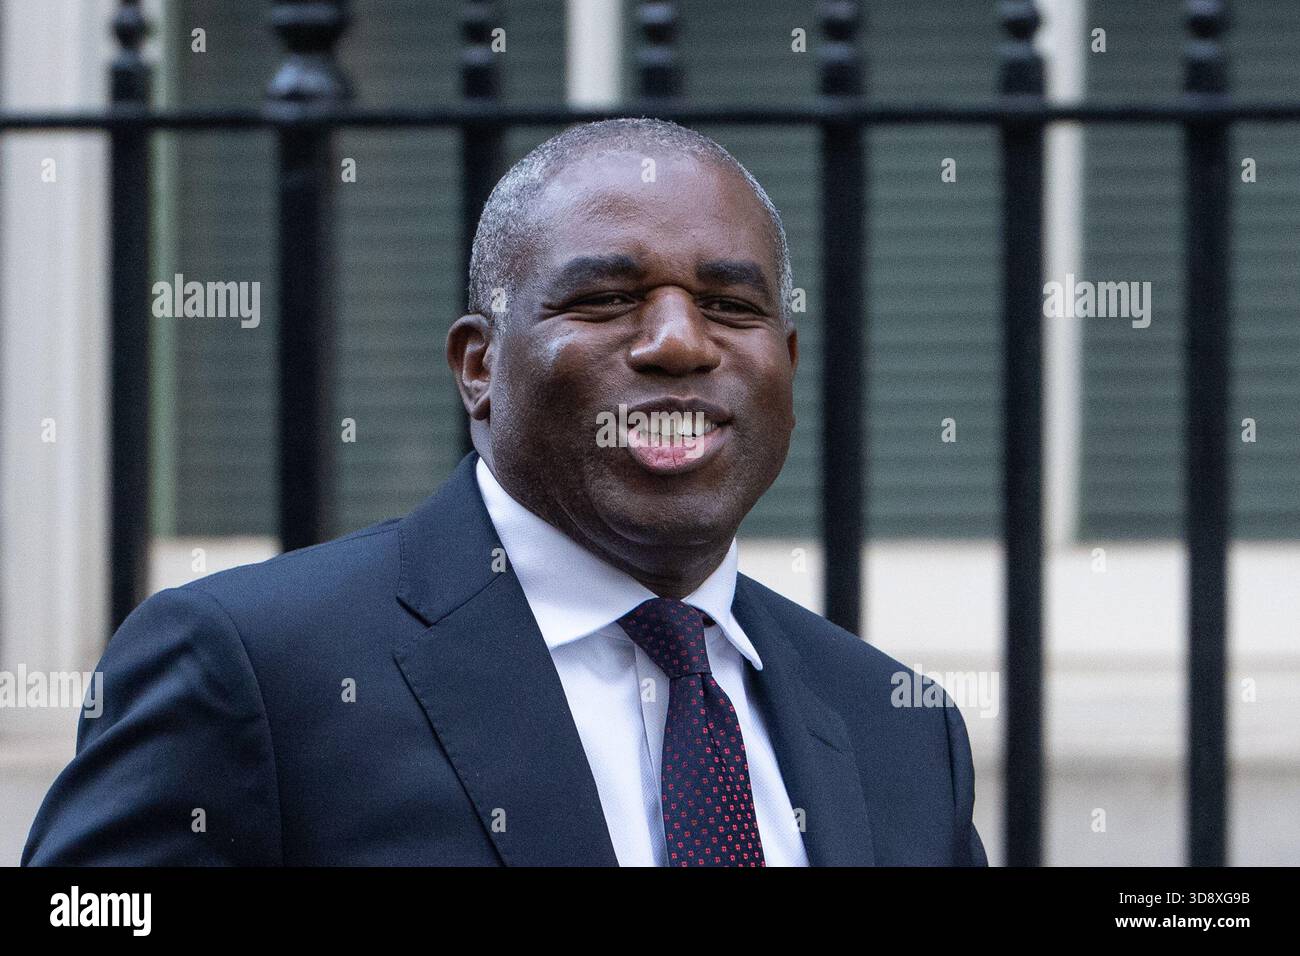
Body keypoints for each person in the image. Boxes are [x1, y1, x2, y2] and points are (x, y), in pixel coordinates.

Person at [24, 118, 987, 866]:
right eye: (607, 299)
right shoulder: (252, 671)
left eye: (731, 308)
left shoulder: (897, 726)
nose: (680, 344)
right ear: (479, 365)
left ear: (786, 367)